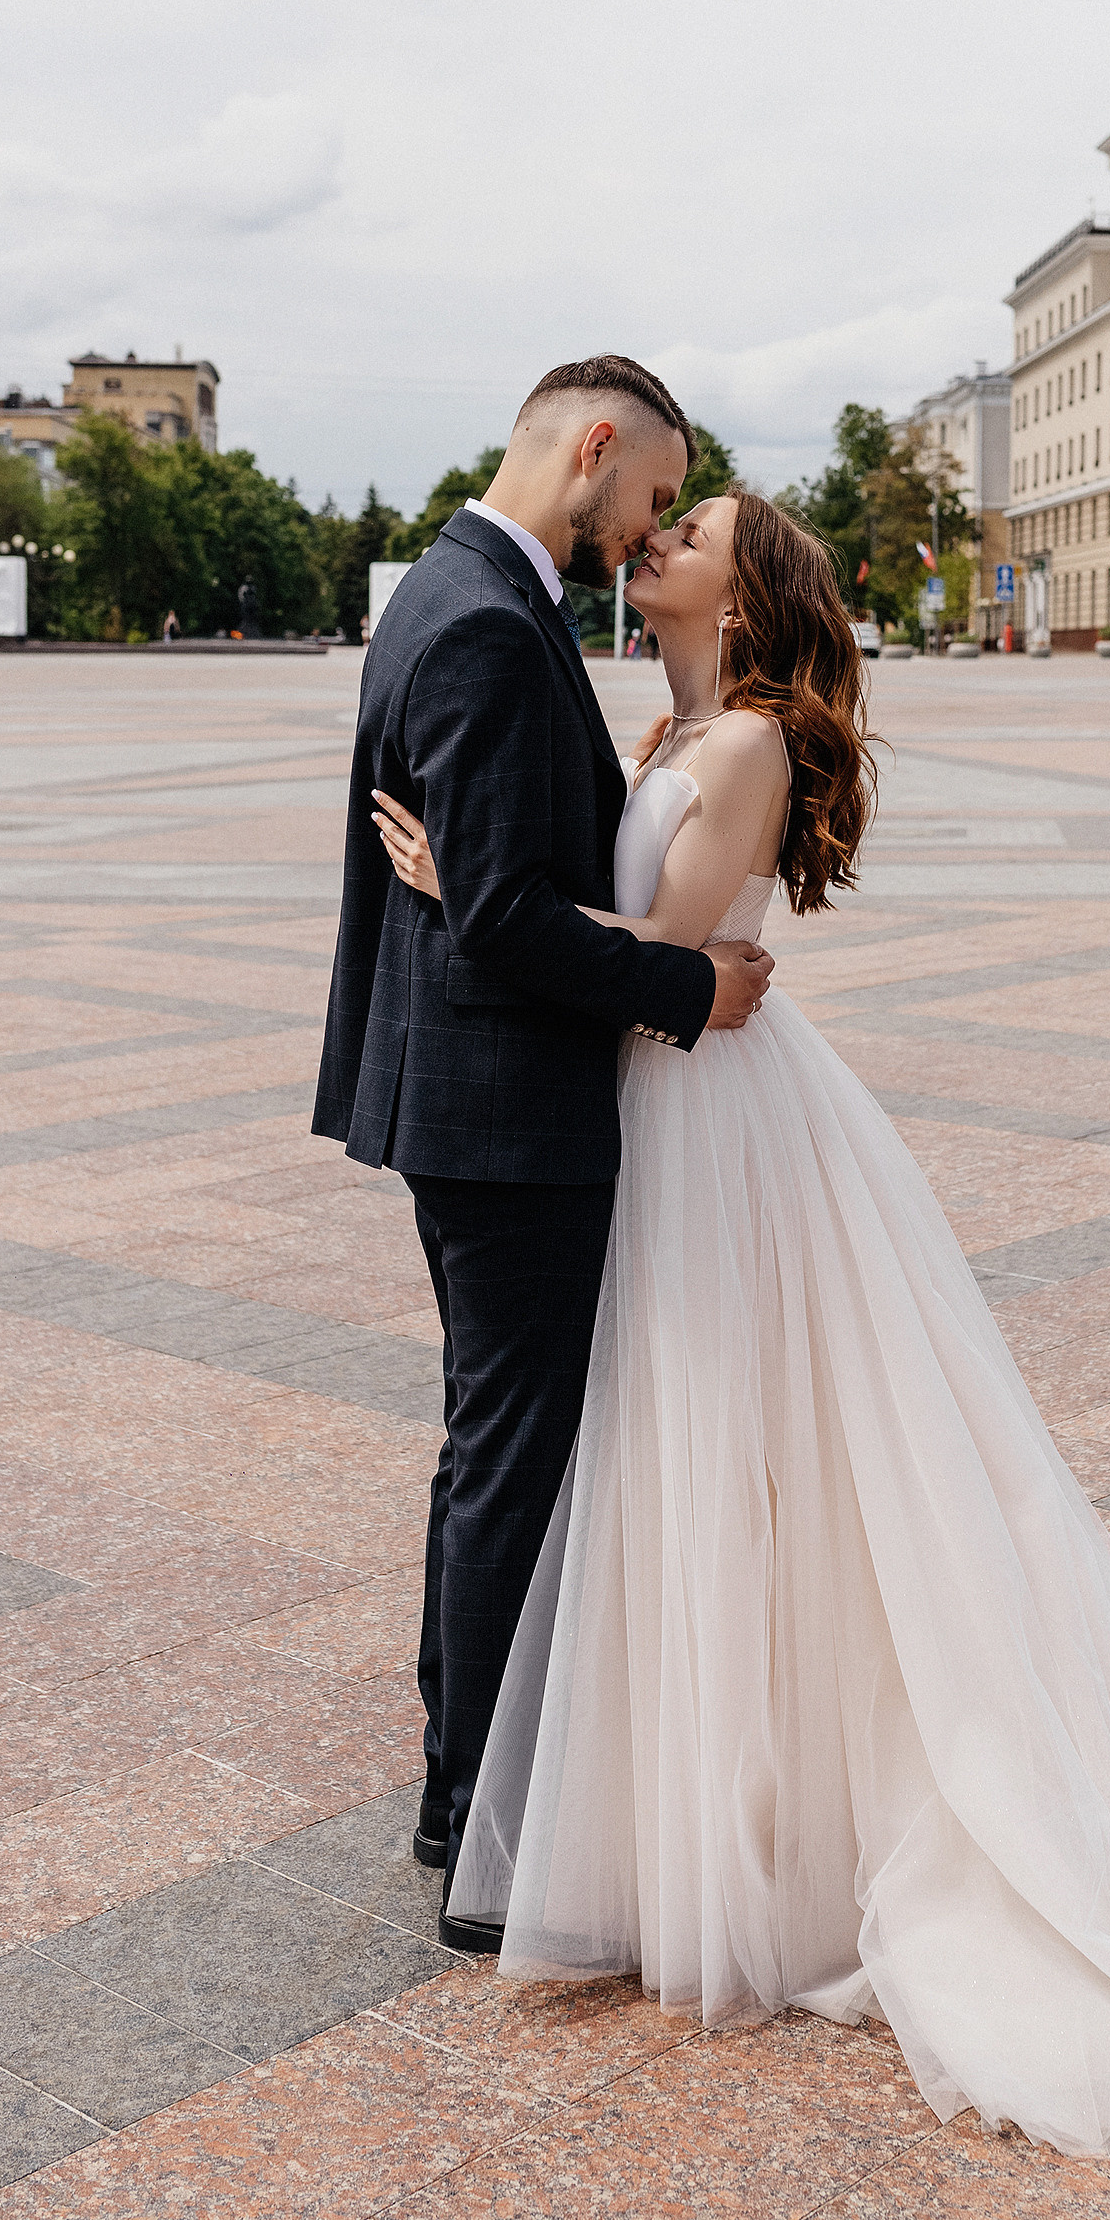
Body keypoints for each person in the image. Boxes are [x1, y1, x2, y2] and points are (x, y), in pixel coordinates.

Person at [370, 487, 1110, 2159]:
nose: (654, 542)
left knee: (736, 1441)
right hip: (669, 1098)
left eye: (685, 530)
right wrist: (484, 885)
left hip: (711, 1109)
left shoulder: (751, 741)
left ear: (747, 587)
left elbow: (679, 952)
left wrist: (462, 893)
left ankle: (769, 1814)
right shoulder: (673, 721)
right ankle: (713, 1792)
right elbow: (619, 931)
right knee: (690, 1449)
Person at [312, 357, 775, 1949]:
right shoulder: (495, 623)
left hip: (477, 1100)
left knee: (496, 1448)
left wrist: (480, 888)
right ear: (592, 448)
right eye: (648, 494)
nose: (641, 531)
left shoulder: (449, 592)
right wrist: (690, 991)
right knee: (511, 1456)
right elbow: (509, 916)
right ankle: (475, 1813)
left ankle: (477, 1781)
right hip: (507, 1116)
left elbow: (495, 884)